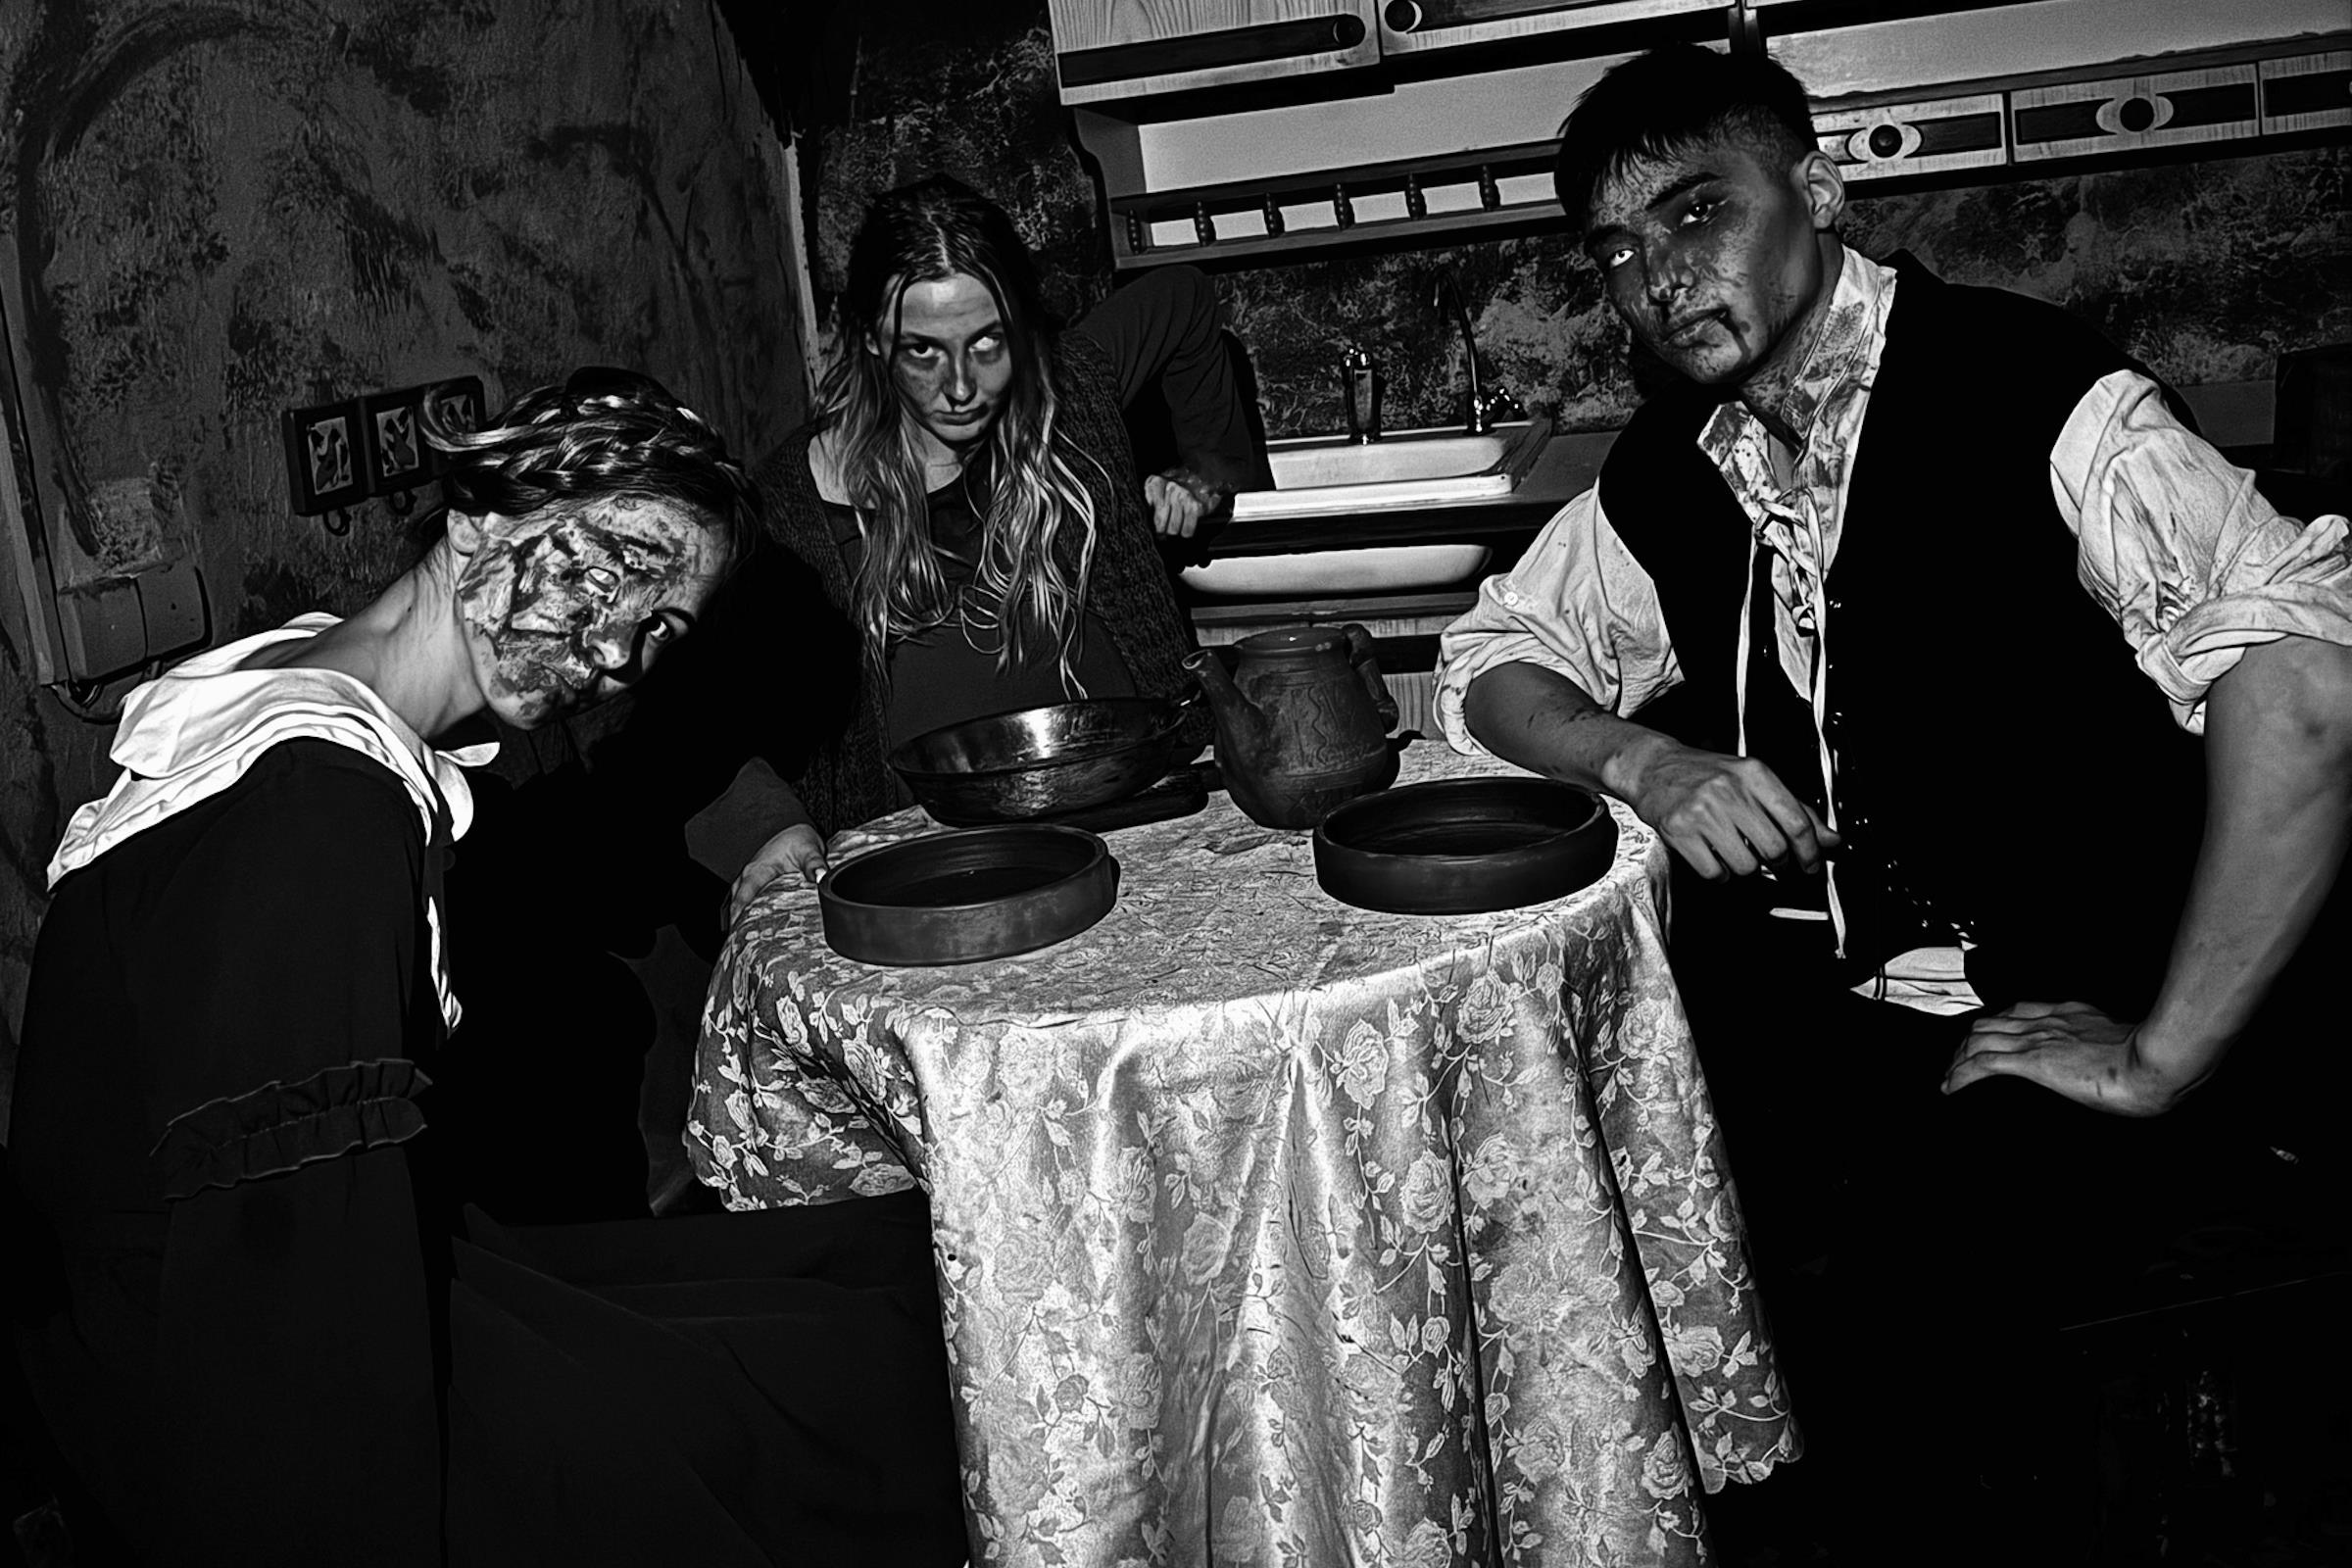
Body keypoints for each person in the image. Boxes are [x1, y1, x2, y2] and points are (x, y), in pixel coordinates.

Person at [1433, 41, 2352, 1558]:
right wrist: (1644, 760)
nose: (1657, 276)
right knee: (1601, 1214)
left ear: (1818, 190)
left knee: (1960, 1382)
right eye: (1617, 248)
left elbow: (2307, 684)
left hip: (2078, 1001)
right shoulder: (1677, 463)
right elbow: (1493, 663)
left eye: (1697, 211)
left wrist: (2161, 1056)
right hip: (1832, 1016)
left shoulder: (2035, 394)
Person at [4, 370, 965, 1564]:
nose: (615, 650)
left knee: (856, 1276)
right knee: (839, 1395)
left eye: (661, 630)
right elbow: (285, 1313)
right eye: (609, 569)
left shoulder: (311, 676)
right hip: (217, 1391)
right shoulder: (318, 808)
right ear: (476, 520)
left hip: (253, 1298)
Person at [601, 176, 1255, 924]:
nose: (961, 387)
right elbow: (681, 720)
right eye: (923, 351)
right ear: (872, 340)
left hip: (1150, 828)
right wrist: (770, 826)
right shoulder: (785, 515)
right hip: (940, 884)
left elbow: (1184, 297)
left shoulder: (1071, 392)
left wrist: (1206, 470)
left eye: (988, 342)